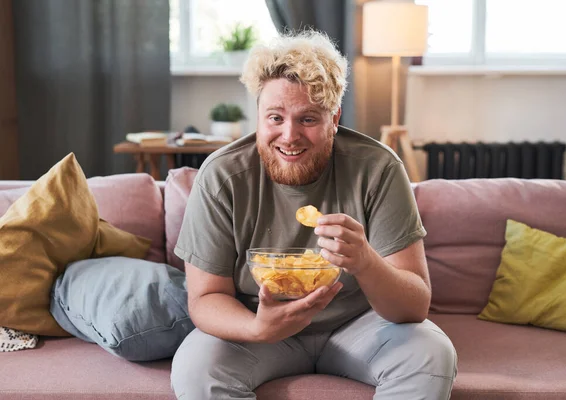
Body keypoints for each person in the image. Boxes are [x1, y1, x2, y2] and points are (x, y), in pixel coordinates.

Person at [171, 30, 457, 399]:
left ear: (334, 118)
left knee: (432, 353)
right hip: (258, 328)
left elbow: (414, 305)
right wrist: (259, 328)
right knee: (196, 368)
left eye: (308, 119)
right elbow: (205, 298)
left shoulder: (378, 168)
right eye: (275, 117)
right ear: (258, 115)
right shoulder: (222, 176)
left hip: (360, 325)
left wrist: (366, 261)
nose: (289, 136)